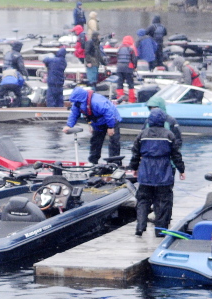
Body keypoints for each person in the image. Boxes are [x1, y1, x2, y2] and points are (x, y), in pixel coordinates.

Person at [128, 108, 185, 238]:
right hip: (163, 170)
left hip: (146, 170)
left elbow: (135, 153)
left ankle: (140, 227)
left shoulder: (142, 134)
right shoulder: (169, 135)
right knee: (163, 201)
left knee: (143, 200)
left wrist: (134, 168)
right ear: (163, 120)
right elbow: (176, 155)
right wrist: (181, 170)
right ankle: (160, 230)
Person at [63, 86, 121, 165]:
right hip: (97, 123)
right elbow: (74, 114)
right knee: (95, 141)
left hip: (111, 119)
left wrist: (111, 127)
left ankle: (114, 163)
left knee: (114, 142)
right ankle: (93, 162)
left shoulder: (97, 101)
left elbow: (109, 113)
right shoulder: (78, 103)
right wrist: (69, 125)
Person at [115, 35, 137, 103]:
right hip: (128, 68)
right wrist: (135, 67)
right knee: (130, 84)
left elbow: (117, 57)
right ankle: (132, 99)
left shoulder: (120, 48)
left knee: (120, 83)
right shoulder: (131, 48)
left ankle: (120, 99)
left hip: (119, 68)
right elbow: (134, 59)